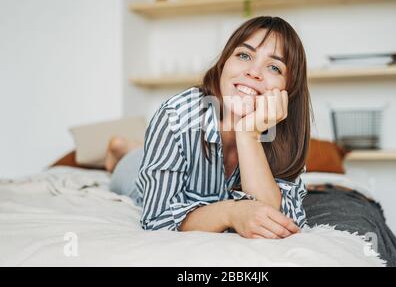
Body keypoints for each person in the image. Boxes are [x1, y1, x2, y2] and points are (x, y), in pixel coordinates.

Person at [109, 16, 311, 239]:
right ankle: (121, 150)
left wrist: (248, 135)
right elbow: (157, 218)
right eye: (244, 55)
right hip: (134, 173)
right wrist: (231, 212)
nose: (254, 72)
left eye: (274, 67)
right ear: (224, 63)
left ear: (288, 89)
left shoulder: (286, 135)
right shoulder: (176, 115)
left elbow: (277, 220)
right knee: (130, 168)